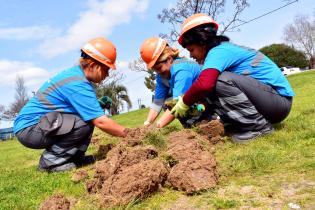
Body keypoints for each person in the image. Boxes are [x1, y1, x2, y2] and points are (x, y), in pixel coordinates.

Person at [171, 13, 294, 143]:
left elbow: (204, 84)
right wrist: (200, 105)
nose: (191, 55)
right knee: (209, 86)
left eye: (192, 49)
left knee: (218, 80)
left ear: (202, 41)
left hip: (279, 103)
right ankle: (234, 125)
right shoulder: (216, 55)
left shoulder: (220, 51)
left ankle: (259, 128)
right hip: (267, 101)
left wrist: (184, 102)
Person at [14, 37, 127, 172]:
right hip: (30, 129)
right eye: (106, 69)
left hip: (38, 125)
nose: (107, 74)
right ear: (92, 66)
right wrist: (131, 134)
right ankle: (50, 162)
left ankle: (74, 158)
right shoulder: (77, 83)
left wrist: (97, 104)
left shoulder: (76, 76)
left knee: (85, 119)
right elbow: (101, 122)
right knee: (85, 122)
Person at [140, 37, 204, 128]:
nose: (158, 72)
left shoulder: (181, 69)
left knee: (173, 102)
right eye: (155, 70)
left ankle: (202, 123)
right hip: (192, 102)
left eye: (159, 68)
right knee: (166, 102)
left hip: (206, 101)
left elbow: (177, 103)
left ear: (169, 59)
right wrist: (147, 123)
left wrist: (156, 127)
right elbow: (158, 102)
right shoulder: (162, 75)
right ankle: (191, 125)